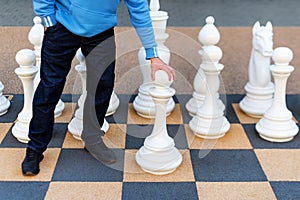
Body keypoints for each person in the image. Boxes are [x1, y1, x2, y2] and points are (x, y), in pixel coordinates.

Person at [22, 0, 176, 176]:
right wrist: (48, 19)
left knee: (103, 85)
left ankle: (92, 138)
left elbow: (139, 10)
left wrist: (153, 54)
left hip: (101, 32)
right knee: (50, 88)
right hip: (62, 26)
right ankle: (35, 148)